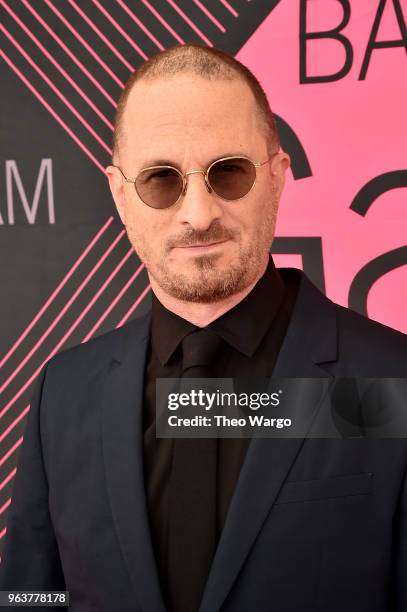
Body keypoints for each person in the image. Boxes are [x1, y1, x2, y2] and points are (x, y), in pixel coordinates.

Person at [0, 43, 406, 612]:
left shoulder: (393, 384)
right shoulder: (62, 395)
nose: (198, 213)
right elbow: (28, 595)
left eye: (230, 173)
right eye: (162, 180)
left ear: (278, 176)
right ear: (120, 195)